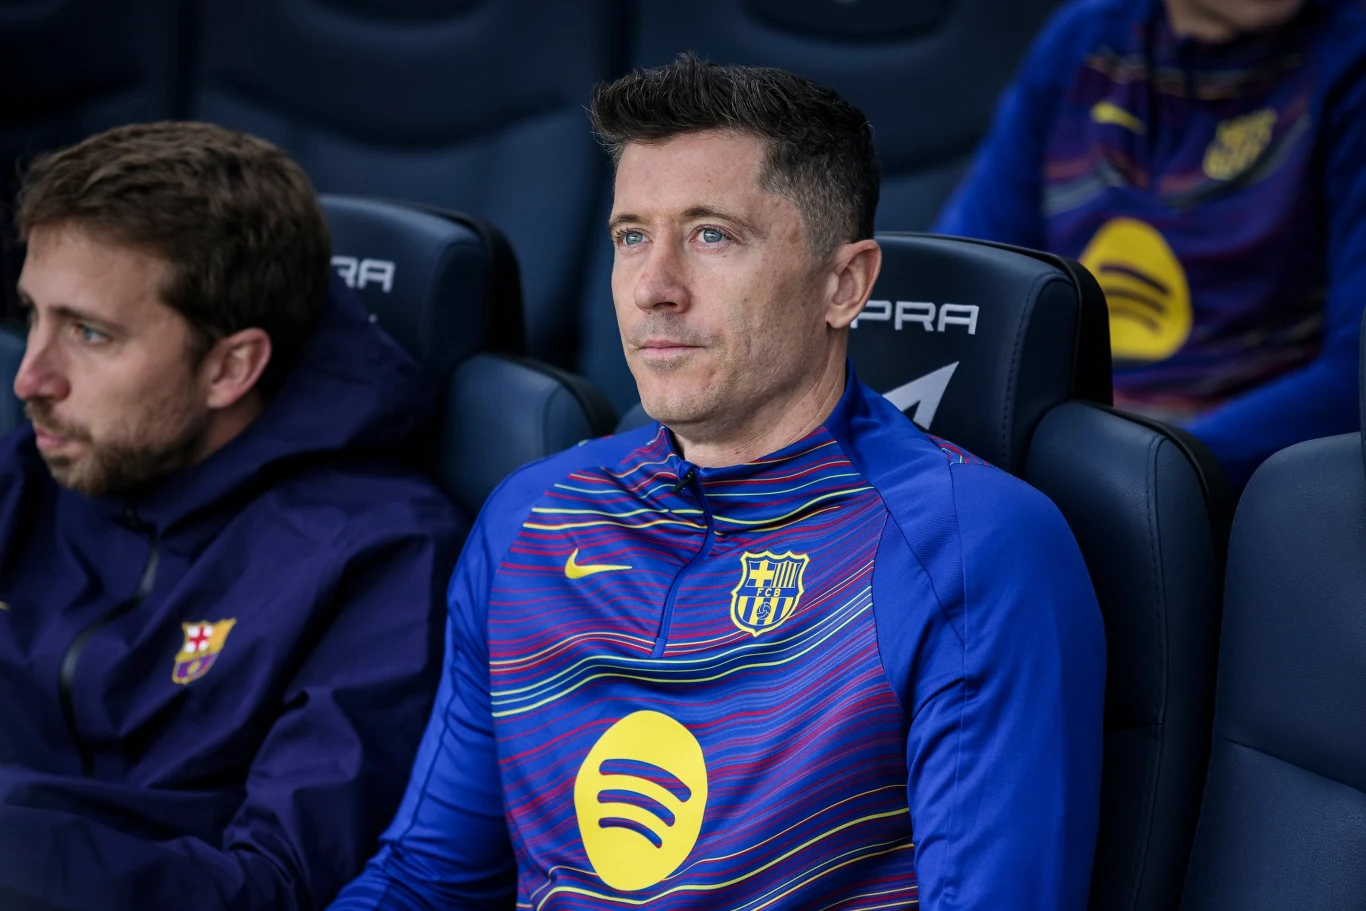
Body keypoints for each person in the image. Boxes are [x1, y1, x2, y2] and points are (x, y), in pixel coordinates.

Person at [331, 55, 1105, 911]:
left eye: (712, 235)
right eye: (632, 236)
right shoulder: (529, 519)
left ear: (844, 285)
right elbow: (423, 880)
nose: (653, 289)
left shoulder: (969, 547)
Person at [0, 122, 463, 910]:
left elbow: (275, 886)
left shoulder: (380, 557)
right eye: (31, 315)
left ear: (229, 367)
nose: (30, 378)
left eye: (88, 332)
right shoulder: (31, 473)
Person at [935, 0, 1366, 487]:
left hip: (1241, 485)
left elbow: (1354, 376)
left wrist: (1147, 474)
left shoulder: (1348, 60)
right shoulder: (1083, 43)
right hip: (1066, 461)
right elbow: (962, 289)